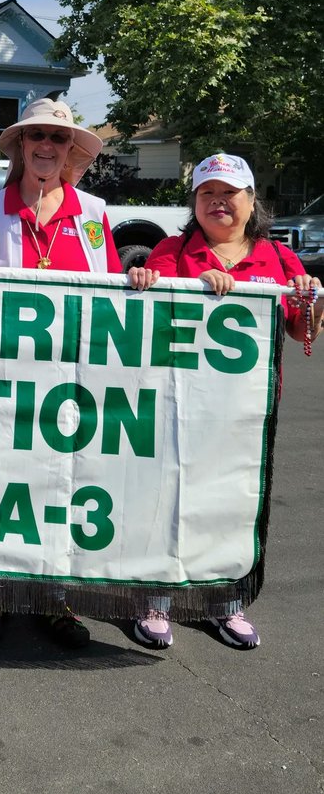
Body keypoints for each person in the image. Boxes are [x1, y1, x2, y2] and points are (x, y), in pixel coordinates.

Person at [128, 152, 323, 652]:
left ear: (251, 200)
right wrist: (160, 284)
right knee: (167, 500)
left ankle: (225, 604)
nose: (218, 203)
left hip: (248, 415)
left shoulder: (278, 259)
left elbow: (303, 331)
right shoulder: (172, 251)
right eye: (207, 194)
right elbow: (145, 319)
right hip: (178, 407)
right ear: (195, 203)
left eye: (229, 194)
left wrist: (313, 300)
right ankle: (156, 599)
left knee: (233, 509)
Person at [0, 96, 121, 649]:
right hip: (5, 377)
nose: (47, 147)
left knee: (62, 486)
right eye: (37, 138)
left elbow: (116, 299)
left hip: (71, 385)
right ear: (22, 147)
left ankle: (57, 597)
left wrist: (139, 285)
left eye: (58, 139)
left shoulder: (96, 217)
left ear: (70, 149)